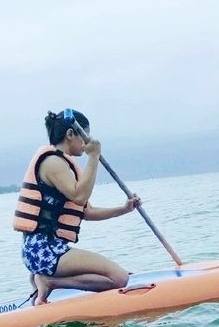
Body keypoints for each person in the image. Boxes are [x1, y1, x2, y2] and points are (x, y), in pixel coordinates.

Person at [14, 109, 141, 306]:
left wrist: (124, 209)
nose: (87, 142)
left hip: (49, 249)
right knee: (119, 278)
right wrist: (93, 157)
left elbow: (87, 212)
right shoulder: (53, 162)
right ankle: (48, 281)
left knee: (113, 275)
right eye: (85, 135)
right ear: (71, 134)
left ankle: (45, 279)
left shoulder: (64, 165)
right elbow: (79, 197)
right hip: (43, 250)